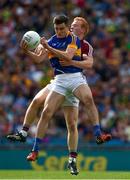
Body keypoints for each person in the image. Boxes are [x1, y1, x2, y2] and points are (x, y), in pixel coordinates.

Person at [7, 15, 111, 175]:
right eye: (59, 28)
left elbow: (83, 62)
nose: (70, 28)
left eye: (74, 25)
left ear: (82, 29)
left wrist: (50, 48)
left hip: (76, 78)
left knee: (76, 118)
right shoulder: (51, 40)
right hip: (59, 81)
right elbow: (39, 59)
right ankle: (31, 143)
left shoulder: (78, 42)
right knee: (45, 110)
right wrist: (27, 50)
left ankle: (94, 138)